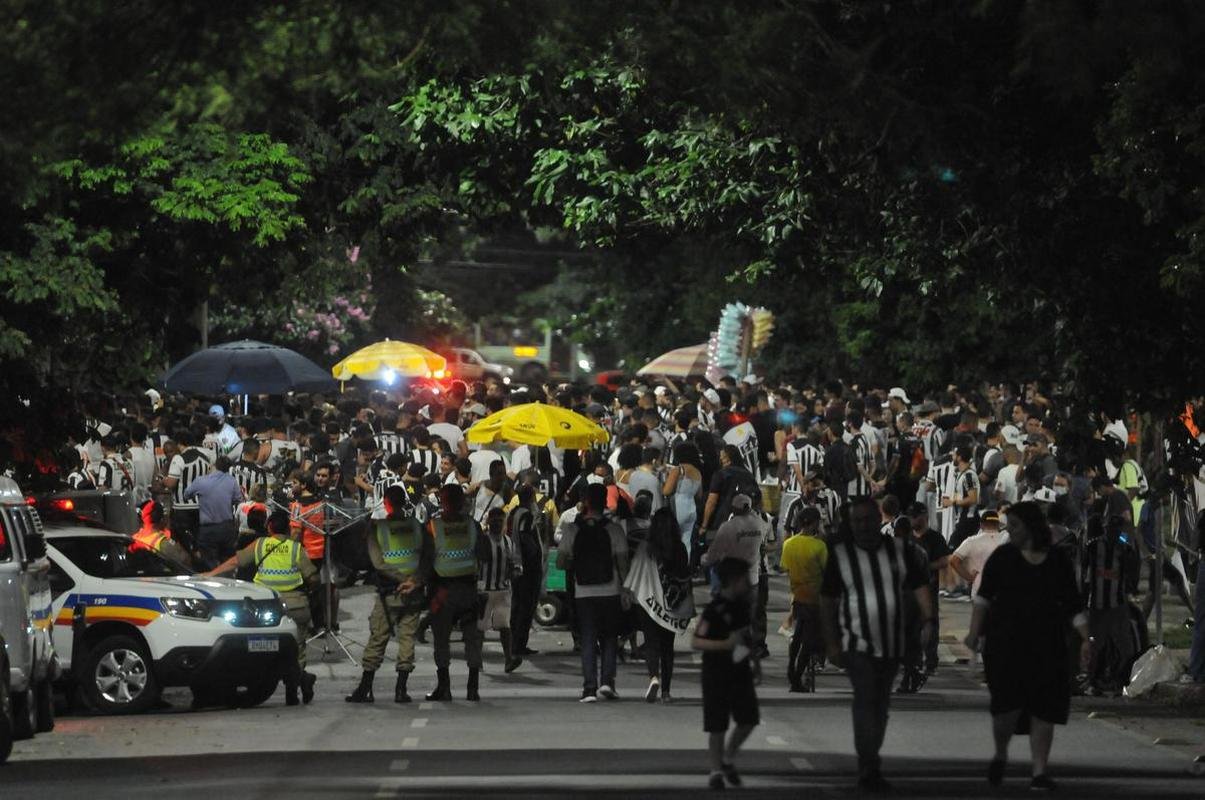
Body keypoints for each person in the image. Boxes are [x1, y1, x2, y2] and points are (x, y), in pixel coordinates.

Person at [964, 501, 1090, 791]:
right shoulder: (1002, 558)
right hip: (1005, 645)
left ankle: (1039, 772)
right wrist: (973, 634)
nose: (1010, 530)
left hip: (1048, 645)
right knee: (1006, 708)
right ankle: (1000, 753)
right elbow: (983, 599)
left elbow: (1073, 604)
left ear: (1032, 526)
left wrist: (1085, 638)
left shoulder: (1057, 561)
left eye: (1015, 525)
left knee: (1044, 710)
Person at [821, 496, 932, 793]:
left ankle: (871, 759)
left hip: (893, 640)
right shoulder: (841, 555)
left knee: (880, 704)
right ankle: (868, 764)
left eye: (868, 520)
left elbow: (920, 586)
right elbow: (828, 600)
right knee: (866, 696)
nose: (862, 527)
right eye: (856, 521)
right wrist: (831, 643)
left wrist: (929, 622)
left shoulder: (901, 550)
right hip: (857, 641)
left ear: (878, 520)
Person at [204, 510, 318, 706]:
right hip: (295, 605)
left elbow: (235, 562)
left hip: (267, 609)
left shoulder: (260, 545)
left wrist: (210, 574)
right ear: (289, 529)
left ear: (269, 527)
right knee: (296, 651)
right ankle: (295, 688)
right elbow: (313, 577)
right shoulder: (296, 549)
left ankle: (294, 682)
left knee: (268, 651)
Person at [346, 485, 433, 704]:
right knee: (407, 638)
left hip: (389, 592)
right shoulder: (416, 525)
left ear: (385, 503)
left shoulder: (378, 529)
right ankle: (401, 690)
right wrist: (415, 581)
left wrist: (402, 581)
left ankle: (365, 689)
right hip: (413, 592)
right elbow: (428, 557)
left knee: (378, 637)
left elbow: (378, 563)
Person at [557, 483, 629, 703]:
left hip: (583, 591)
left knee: (588, 639)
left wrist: (576, 561)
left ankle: (589, 688)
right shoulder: (614, 529)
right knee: (609, 637)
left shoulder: (572, 529)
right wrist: (626, 589)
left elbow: (561, 562)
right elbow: (623, 562)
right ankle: (607, 682)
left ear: (585, 501)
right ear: (604, 501)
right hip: (611, 590)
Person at [692, 556, 759, 791]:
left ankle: (728, 758)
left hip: (740, 671)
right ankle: (716, 770)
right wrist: (724, 644)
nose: (749, 585)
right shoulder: (714, 609)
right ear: (733, 580)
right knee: (717, 724)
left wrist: (755, 663)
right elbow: (697, 641)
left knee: (748, 719)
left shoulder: (743, 607)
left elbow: (746, 639)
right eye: (745, 580)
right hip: (716, 672)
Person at [424, 483, 486, 701]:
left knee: (441, 640)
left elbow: (425, 559)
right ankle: (472, 688)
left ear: (442, 501)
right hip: (469, 590)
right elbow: (484, 554)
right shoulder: (472, 525)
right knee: (472, 639)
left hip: (443, 592)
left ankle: (445, 688)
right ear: (462, 502)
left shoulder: (433, 526)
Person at [635, 507, 691, 703]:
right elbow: (685, 577)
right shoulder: (680, 548)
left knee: (652, 643)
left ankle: (653, 677)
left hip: (649, 602)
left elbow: (637, 576)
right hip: (672, 605)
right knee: (668, 647)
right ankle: (666, 691)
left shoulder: (646, 548)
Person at [900, 502, 951, 686]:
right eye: (911, 517)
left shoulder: (935, 538)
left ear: (925, 517)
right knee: (910, 629)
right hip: (908, 592)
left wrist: (926, 567)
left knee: (929, 624)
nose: (914, 520)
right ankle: (912, 662)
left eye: (916, 516)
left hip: (928, 588)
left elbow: (945, 561)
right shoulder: (907, 539)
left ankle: (930, 662)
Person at [779, 505, 828, 693]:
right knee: (809, 640)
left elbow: (785, 568)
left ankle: (791, 666)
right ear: (815, 523)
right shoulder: (819, 546)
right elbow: (826, 570)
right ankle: (797, 677)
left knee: (798, 635)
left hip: (797, 596)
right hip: (815, 598)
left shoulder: (788, 544)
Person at [478, 507, 524, 674]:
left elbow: (515, 563)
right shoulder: (482, 541)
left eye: (500, 520)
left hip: (503, 589)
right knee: (480, 627)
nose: (497, 523)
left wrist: (516, 571)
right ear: (489, 522)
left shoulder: (509, 542)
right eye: (494, 520)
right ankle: (476, 660)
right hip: (484, 590)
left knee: (504, 626)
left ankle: (508, 659)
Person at [182, 455, 243, 570]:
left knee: (209, 563)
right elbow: (238, 499)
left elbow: (186, 494)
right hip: (227, 528)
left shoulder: (201, 481)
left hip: (208, 529)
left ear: (214, 465)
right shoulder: (231, 481)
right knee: (228, 562)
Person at [507, 483, 546, 656]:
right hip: (527, 568)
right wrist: (535, 553)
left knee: (517, 606)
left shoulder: (514, 513)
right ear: (531, 497)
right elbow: (524, 537)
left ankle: (514, 643)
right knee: (525, 608)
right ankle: (518, 645)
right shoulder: (525, 515)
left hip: (516, 564)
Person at [950, 510, 1008, 599]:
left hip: (979, 590)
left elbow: (954, 561)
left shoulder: (971, 541)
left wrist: (969, 577)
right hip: (1002, 590)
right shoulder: (1006, 539)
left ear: (981, 525)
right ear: (997, 524)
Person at [662, 442, 703, 559]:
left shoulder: (678, 470)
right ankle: (685, 566)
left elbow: (667, 491)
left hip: (678, 508)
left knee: (673, 540)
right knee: (686, 541)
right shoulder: (698, 472)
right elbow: (699, 496)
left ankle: (674, 568)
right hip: (691, 509)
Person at [131, 500, 191, 567]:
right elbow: (185, 560)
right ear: (162, 520)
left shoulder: (133, 538)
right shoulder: (161, 542)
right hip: (160, 575)